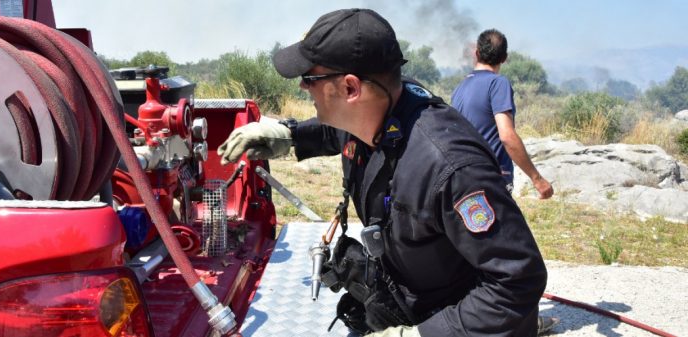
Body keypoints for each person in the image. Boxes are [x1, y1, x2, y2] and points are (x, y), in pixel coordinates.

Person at [218, 9, 547, 337]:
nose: (303, 87)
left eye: (310, 78)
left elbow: (517, 279)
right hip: (410, 295)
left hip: (457, 320)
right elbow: (338, 131)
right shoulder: (380, 108)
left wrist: (422, 335)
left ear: (350, 89)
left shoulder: (449, 166)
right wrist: (290, 135)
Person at [451, 29, 554, 199]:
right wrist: (537, 179)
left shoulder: (460, 88)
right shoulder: (498, 83)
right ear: (504, 58)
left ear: (477, 53)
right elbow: (507, 136)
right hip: (491, 178)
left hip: (462, 179)